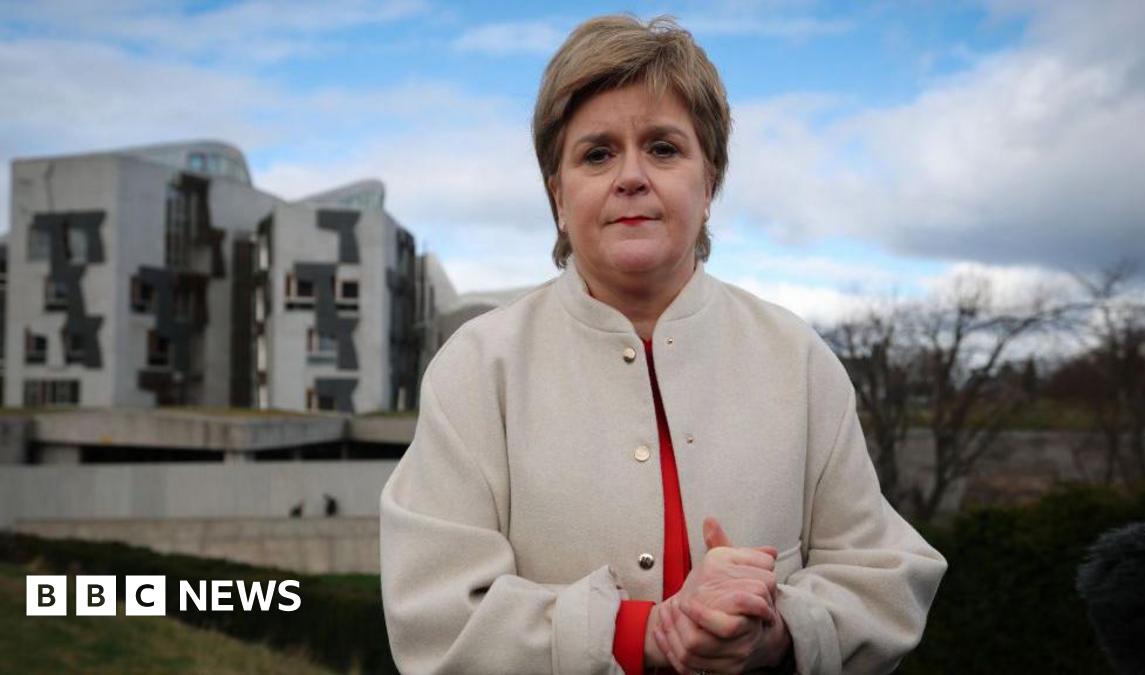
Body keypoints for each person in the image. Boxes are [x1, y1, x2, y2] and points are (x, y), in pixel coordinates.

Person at [380, 14, 947, 674]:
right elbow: (435, 611)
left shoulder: (797, 359)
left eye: (664, 148)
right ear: (558, 197)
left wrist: (780, 631)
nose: (630, 176)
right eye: (597, 154)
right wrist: (641, 631)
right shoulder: (475, 370)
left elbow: (885, 576)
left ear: (709, 185)